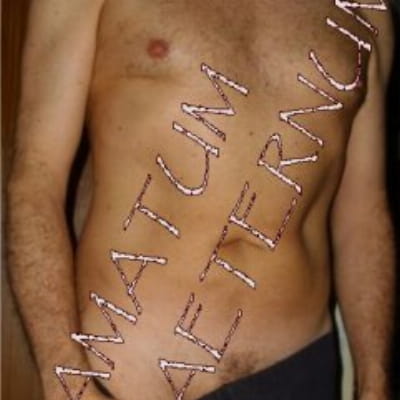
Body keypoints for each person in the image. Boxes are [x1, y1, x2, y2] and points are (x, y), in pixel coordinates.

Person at [6, 1, 396, 399]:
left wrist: (375, 381)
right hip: (130, 375)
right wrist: (65, 380)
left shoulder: (366, 10)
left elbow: (364, 211)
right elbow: (36, 180)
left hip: (296, 368)